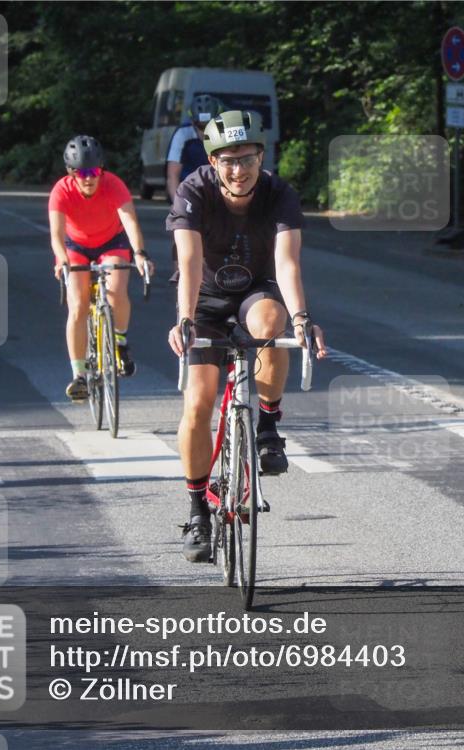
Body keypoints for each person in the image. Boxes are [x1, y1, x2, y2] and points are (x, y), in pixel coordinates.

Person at [165, 110, 327, 562]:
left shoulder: (279, 194)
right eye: (227, 160)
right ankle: (198, 509)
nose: (238, 170)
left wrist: (301, 317)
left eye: (247, 159)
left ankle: (268, 426)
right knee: (198, 403)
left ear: (261, 156)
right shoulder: (193, 191)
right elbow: (190, 261)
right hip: (204, 296)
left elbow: (288, 262)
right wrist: (184, 318)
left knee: (272, 324)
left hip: (255, 290)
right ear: (213, 161)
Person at [49, 135, 154, 402]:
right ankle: (79, 375)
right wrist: (62, 260)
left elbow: (130, 222)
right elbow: (56, 234)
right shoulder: (61, 191)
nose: (89, 178)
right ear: (72, 174)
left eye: (94, 171)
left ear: (101, 170)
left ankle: (119, 341)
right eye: (82, 173)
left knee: (116, 290)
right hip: (76, 246)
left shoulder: (114, 185)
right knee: (78, 305)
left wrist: (140, 254)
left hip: (111, 241)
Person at [167, 95, 225, 284]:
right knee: (183, 238)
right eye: (199, 127)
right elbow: (173, 174)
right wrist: (178, 206)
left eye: (208, 127)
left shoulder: (224, 134)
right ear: (192, 122)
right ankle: (181, 283)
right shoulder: (183, 134)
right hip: (189, 193)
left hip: (218, 193)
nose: (203, 132)